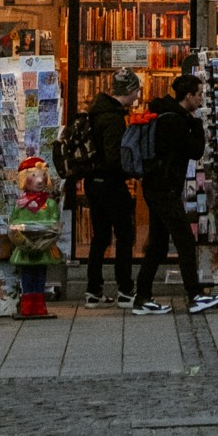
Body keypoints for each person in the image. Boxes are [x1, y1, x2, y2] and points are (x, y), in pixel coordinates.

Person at [130, 72, 218, 316]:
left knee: (159, 245)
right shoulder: (176, 121)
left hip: (157, 187)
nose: (201, 99)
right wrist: (196, 123)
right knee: (184, 239)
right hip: (164, 189)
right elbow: (195, 150)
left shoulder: (166, 114)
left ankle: (142, 296)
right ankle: (195, 295)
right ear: (188, 95)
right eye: (199, 94)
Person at [83, 67, 139, 308]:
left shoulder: (95, 112)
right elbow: (114, 158)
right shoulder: (114, 119)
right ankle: (125, 290)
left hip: (93, 182)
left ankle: (93, 291)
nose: (137, 97)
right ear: (127, 91)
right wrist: (132, 171)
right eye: (136, 91)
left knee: (101, 237)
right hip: (111, 184)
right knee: (125, 235)